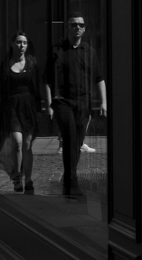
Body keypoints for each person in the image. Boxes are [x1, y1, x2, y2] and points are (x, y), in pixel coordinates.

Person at [45, 13, 106, 198]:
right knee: (70, 139)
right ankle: (72, 184)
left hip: (83, 103)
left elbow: (99, 78)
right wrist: (49, 104)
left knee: (77, 143)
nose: (77, 28)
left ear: (85, 29)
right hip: (63, 102)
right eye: (73, 25)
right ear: (68, 28)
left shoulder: (90, 51)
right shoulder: (57, 50)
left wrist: (104, 102)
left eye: (80, 25)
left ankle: (68, 180)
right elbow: (47, 79)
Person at [0, 31, 41, 194]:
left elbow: (36, 88)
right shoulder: (5, 64)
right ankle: (17, 177)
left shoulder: (32, 63)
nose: (21, 45)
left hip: (28, 105)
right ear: (11, 44)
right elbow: (2, 88)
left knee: (27, 145)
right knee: (16, 142)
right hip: (12, 105)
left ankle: (28, 179)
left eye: (24, 43)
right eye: (18, 42)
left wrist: (40, 108)